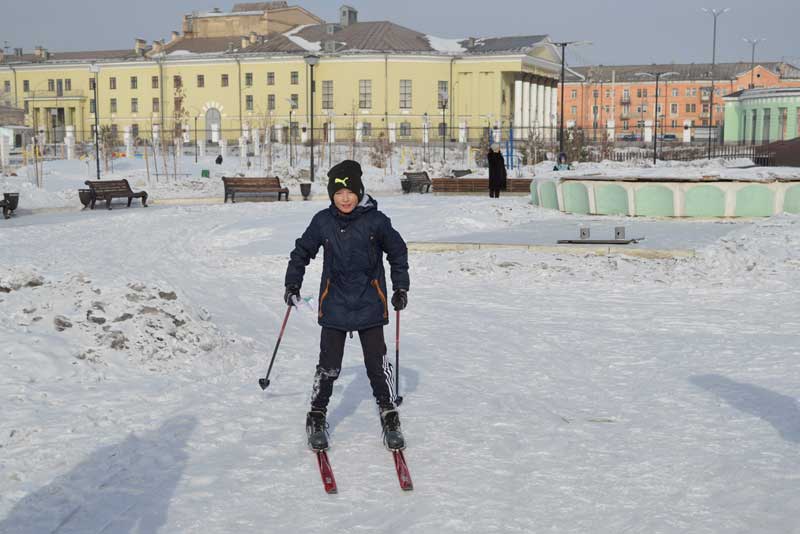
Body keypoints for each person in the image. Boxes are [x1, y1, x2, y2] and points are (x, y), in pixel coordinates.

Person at [284, 159, 410, 452]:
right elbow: (301, 252)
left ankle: (388, 411)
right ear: (331, 195)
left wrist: (400, 286)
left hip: (369, 301)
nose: (345, 198)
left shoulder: (376, 221)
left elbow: (397, 251)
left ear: (359, 191)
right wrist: (292, 283)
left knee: (376, 364)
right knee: (329, 366)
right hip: (335, 302)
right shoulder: (323, 221)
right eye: (338, 193)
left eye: (350, 192)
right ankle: (317, 414)